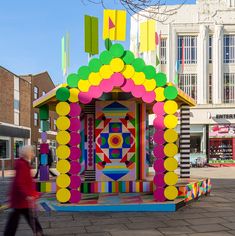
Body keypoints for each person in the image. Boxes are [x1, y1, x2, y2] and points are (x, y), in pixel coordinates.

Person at [4, 145, 44, 236]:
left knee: (15, 220)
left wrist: (35, 193)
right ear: (27, 153)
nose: (33, 154)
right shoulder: (22, 164)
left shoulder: (23, 163)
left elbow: (27, 181)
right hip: (22, 199)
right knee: (26, 218)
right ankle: (39, 232)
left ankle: (39, 232)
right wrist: (27, 195)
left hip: (21, 199)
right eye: (32, 152)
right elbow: (20, 182)